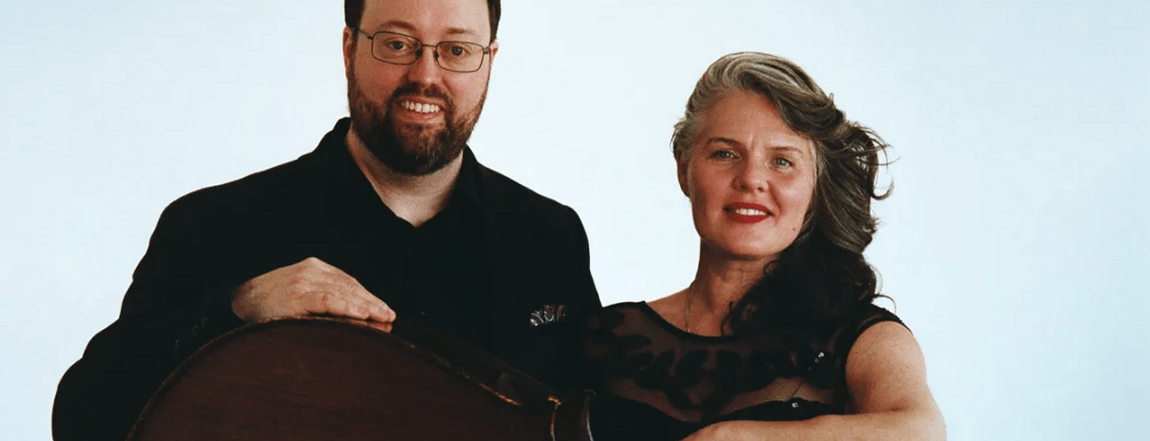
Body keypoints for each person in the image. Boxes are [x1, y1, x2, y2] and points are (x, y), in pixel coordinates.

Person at [52, 1, 600, 440]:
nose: (425, 75)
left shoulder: (550, 236)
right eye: (396, 43)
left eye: (456, 50)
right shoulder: (213, 225)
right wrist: (237, 309)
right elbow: (84, 420)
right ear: (349, 49)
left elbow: (587, 421)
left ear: (489, 61)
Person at [579, 52, 945, 441]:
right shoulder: (607, 336)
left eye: (782, 161)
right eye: (725, 153)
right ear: (683, 168)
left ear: (816, 186)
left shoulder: (861, 337)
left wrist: (735, 438)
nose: (751, 178)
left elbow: (921, 432)